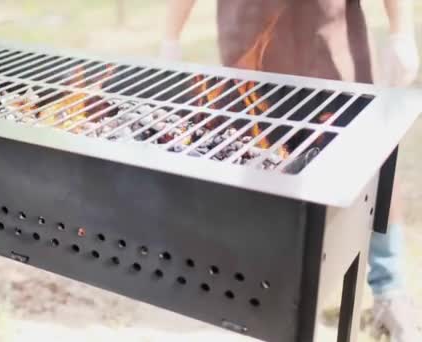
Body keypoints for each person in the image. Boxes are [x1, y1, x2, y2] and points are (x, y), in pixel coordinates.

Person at [160, 1, 420, 341]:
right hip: (250, 56)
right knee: (256, 174)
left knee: (374, 168)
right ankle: (263, 295)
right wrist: (170, 37)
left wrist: (402, 31)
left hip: (335, 50)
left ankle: (389, 291)